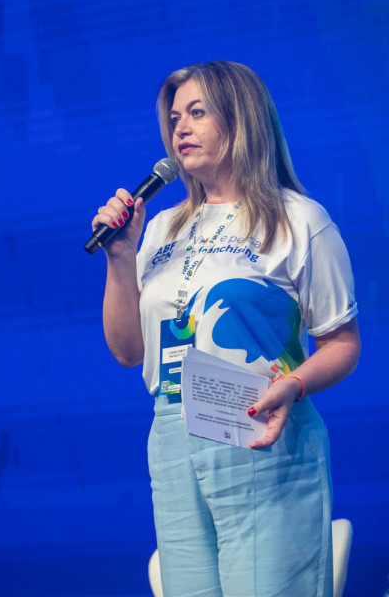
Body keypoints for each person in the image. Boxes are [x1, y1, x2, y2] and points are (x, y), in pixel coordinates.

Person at [92, 61, 360, 596]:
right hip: (170, 432)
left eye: (197, 113)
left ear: (242, 120)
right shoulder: (162, 227)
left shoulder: (298, 219)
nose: (180, 129)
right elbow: (127, 352)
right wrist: (119, 257)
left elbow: (342, 342)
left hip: (256, 424)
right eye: (174, 117)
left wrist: (294, 383)